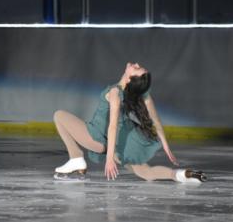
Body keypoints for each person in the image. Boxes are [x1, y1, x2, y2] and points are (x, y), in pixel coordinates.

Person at [53, 62, 206, 183]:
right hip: (120, 144)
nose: (136, 64)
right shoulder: (138, 93)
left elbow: (112, 126)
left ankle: (76, 158)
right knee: (146, 173)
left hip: (98, 138)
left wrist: (109, 158)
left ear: (130, 78)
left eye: (137, 68)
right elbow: (155, 119)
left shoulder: (115, 92)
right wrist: (165, 145)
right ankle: (181, 175)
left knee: (59, 116)